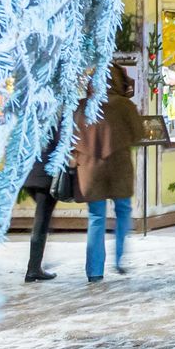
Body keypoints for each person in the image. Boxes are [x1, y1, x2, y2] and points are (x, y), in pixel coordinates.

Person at [74, 63, 144, 283]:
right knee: (123, 211)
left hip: (89, 170)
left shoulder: (83, 106)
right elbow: (138, 134)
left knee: (96, 218)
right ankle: (119, 258)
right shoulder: (125, 106)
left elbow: (71, 138)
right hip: (119, 168)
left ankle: (94, 270)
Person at [22, 136, 61, 282]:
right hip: (45, 176)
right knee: (42, 221)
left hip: (29, 173)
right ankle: (33, 268)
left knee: (43, 219)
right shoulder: (56, 116)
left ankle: (35, 267)